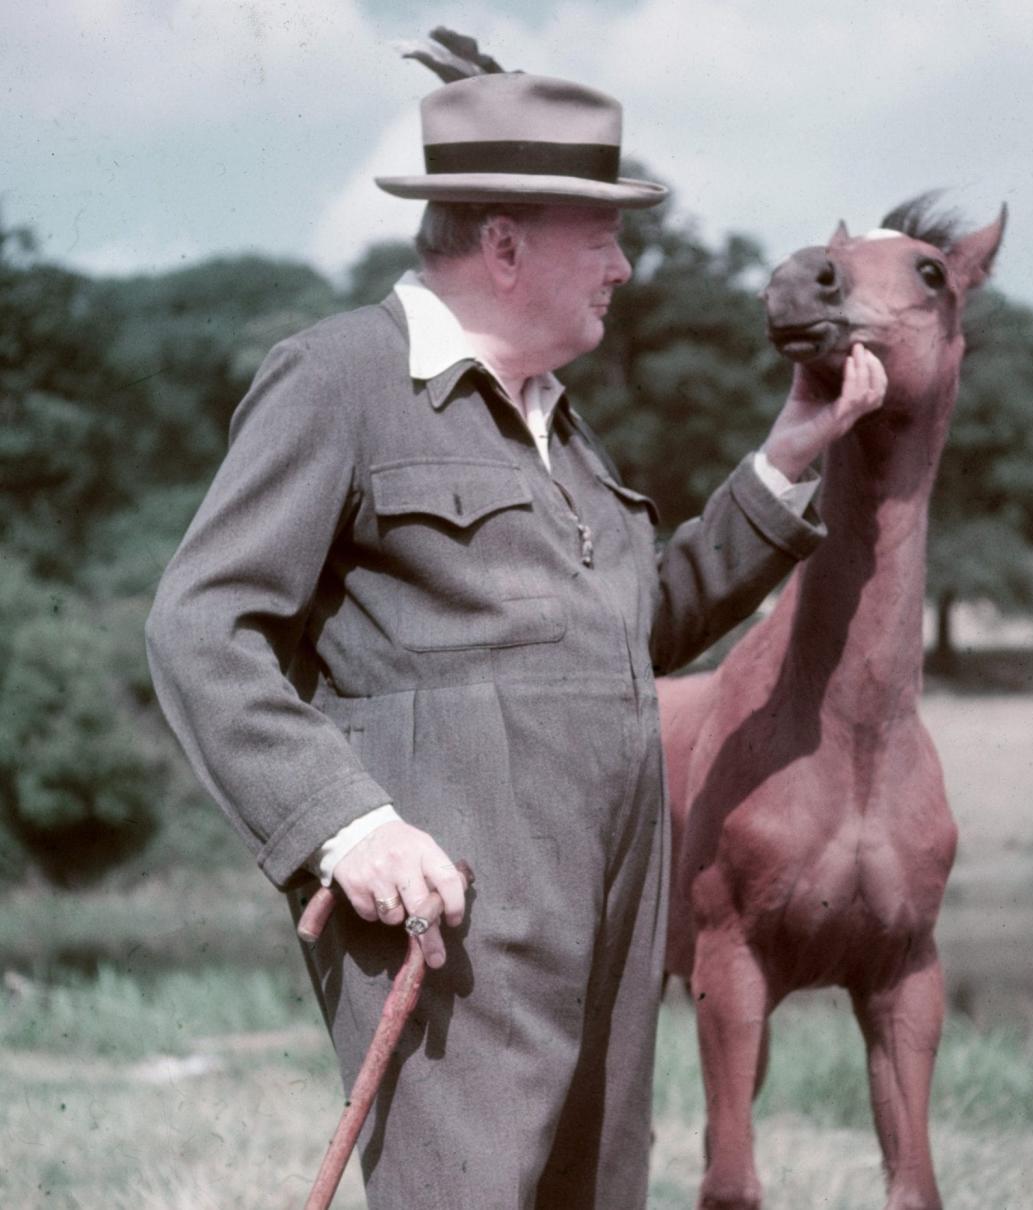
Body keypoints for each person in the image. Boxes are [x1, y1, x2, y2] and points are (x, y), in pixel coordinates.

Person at [145, 70, 885, 1208]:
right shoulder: (340, 377)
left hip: (606, 918)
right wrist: (345, 827)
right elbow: (201, 623)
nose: (624, 268)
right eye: (603, 235)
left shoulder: (562, 429)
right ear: (503, 242)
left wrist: (790, 455)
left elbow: (632, 635)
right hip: (451, 922)